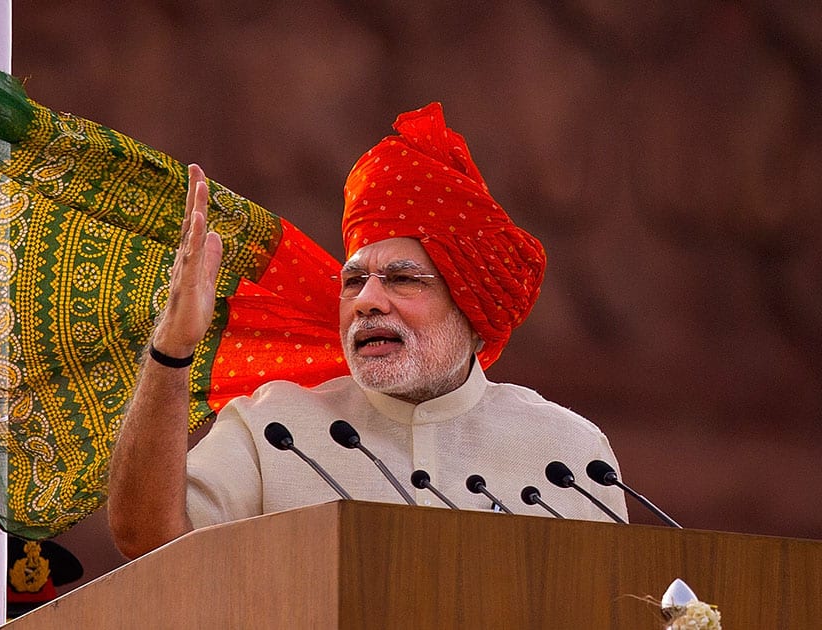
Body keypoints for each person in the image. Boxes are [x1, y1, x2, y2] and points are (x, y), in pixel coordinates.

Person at [108, 103, 627, 559]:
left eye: (402, 280)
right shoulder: (275, 427)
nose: (366, 302)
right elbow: (149, 539)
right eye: (353, 281)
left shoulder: (567, 451)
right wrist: (171, 351)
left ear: (470, 305)